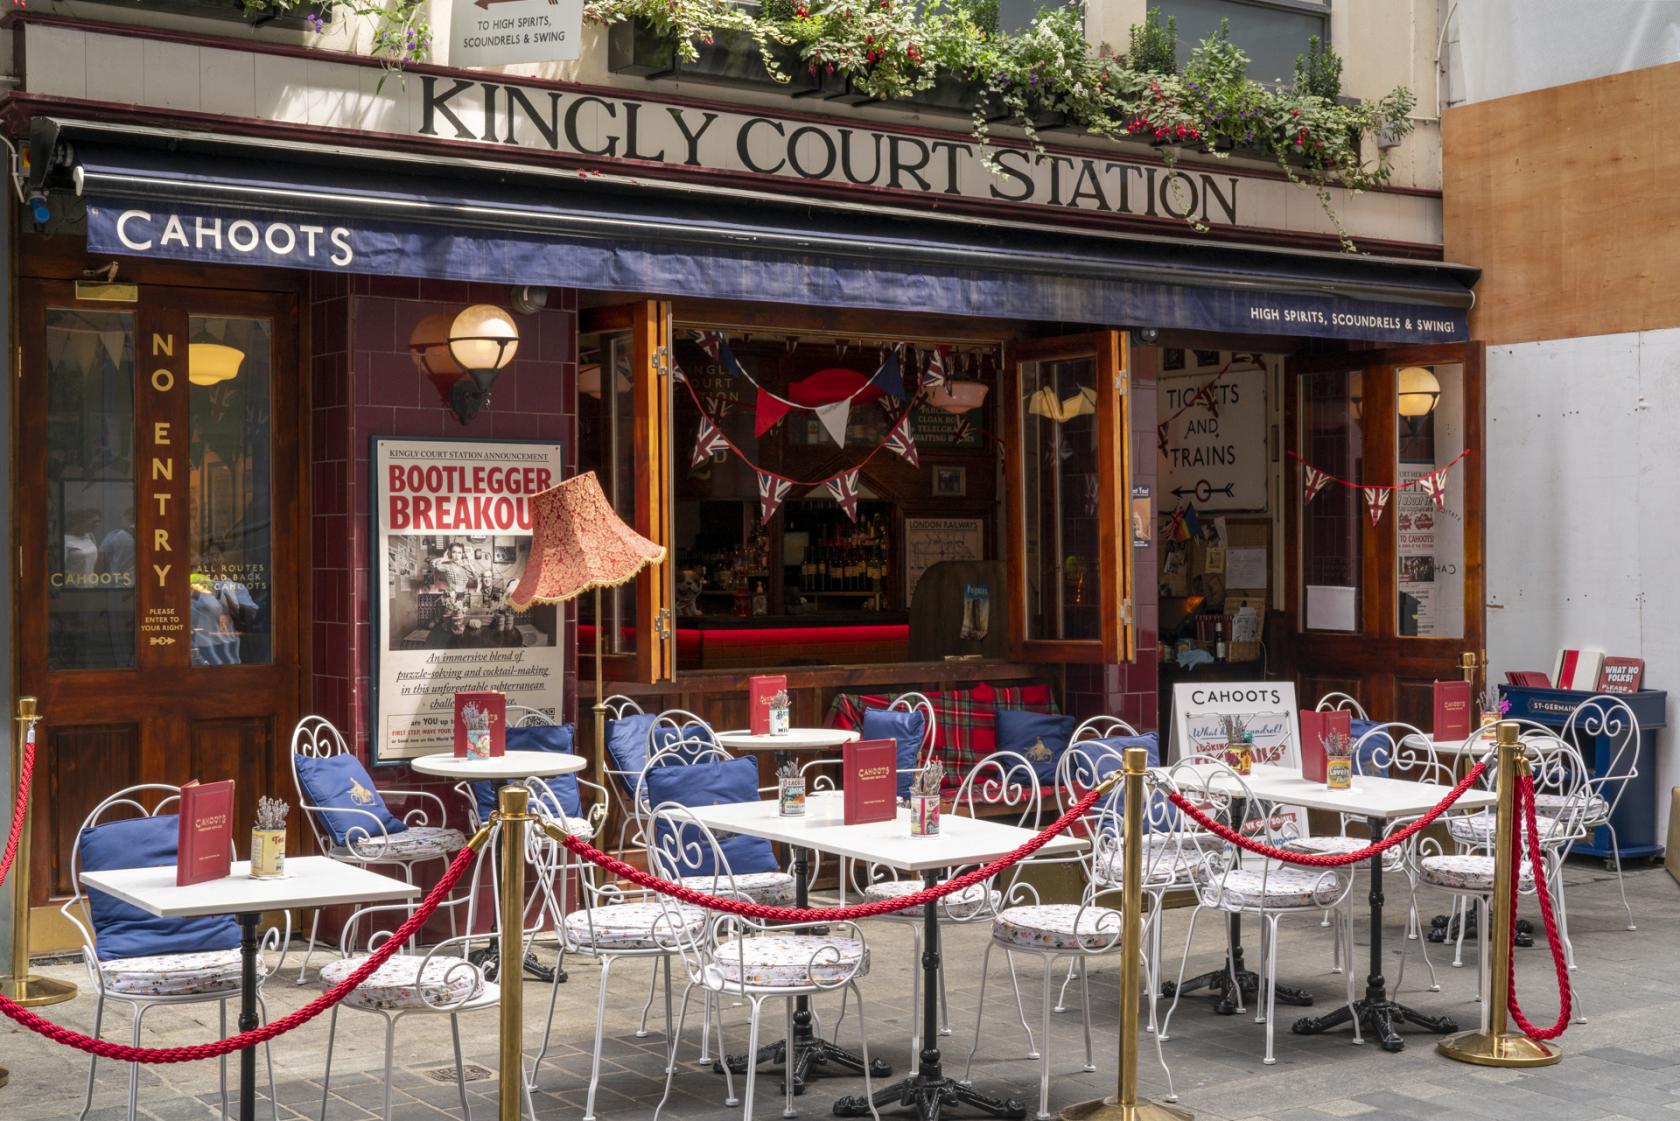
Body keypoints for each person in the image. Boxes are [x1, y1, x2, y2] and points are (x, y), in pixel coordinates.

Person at [97, 508, 136, 577]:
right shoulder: (151, 536)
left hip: (119, 583)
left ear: (125, 517)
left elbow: (101, 563)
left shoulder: (113, 536)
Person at [63, 509, 102, 576]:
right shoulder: (66, 540)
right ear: (81, 521)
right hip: (73, 583)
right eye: (94, 522)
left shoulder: (90, 536)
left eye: (99, 521)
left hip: (90, 582)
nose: (97, 524)